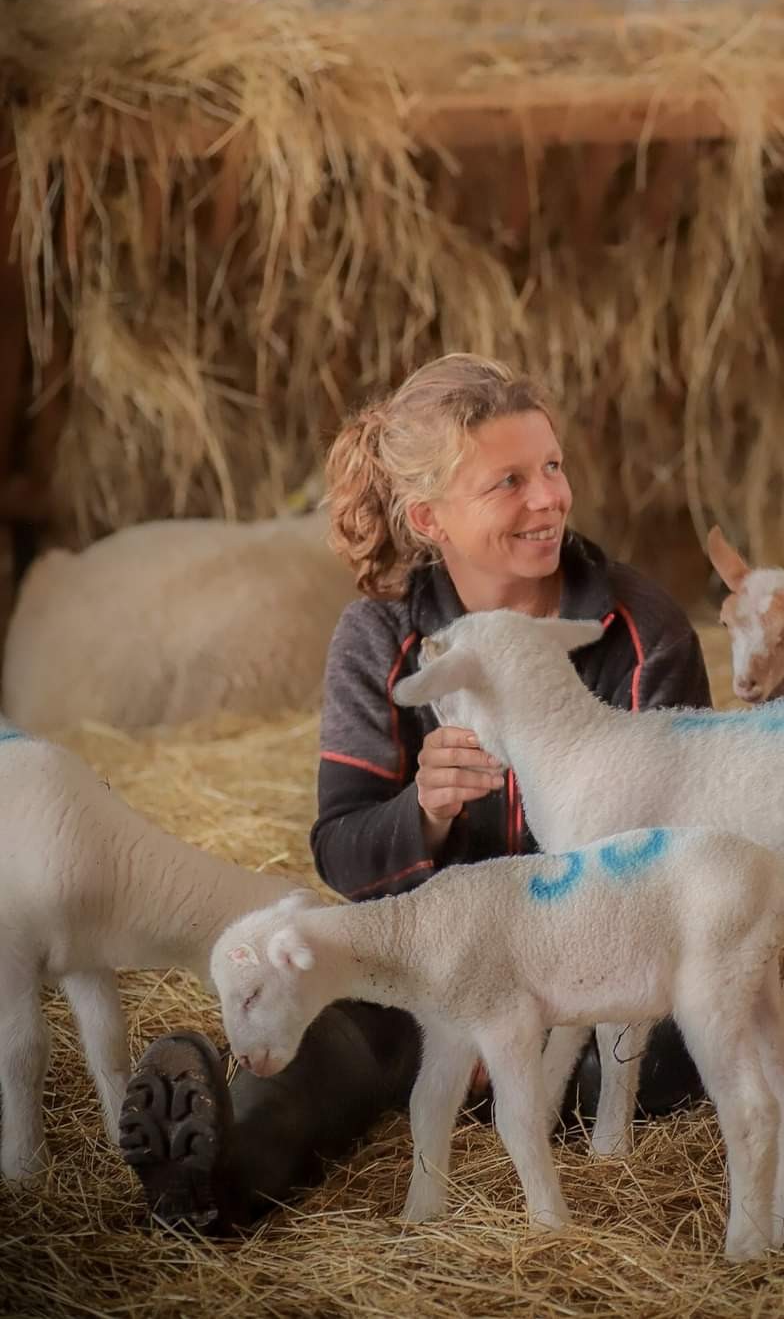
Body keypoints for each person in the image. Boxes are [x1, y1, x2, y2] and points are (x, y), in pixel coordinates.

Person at [119, 354, 714, 1234]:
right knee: (332, 1020)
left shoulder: (640, 628)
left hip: (589, 965)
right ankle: (220, 1174)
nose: (548, 498)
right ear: (430, 517)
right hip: (435, 967)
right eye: (508, 481)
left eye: (551, 467)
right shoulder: (379, 635)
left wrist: (522, 1008)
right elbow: (342, 847)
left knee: (664, 1049)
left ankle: (513, 1082)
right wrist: (424, 812)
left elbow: (684, 853)